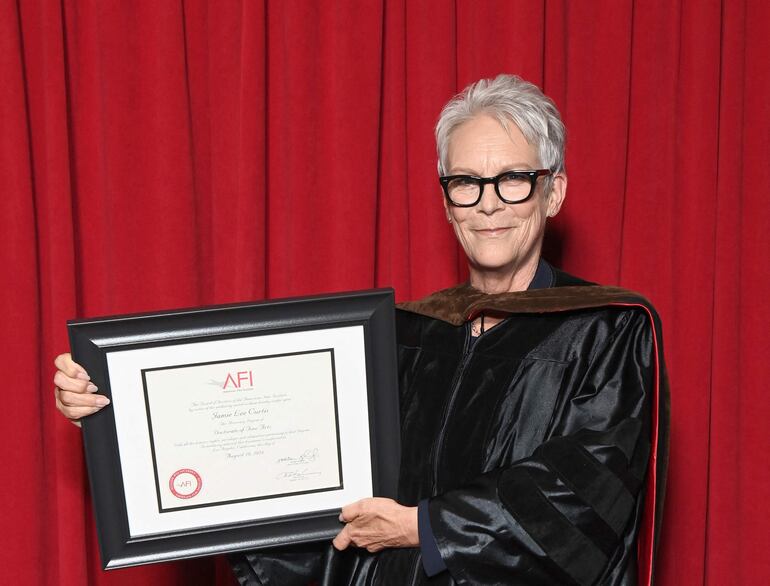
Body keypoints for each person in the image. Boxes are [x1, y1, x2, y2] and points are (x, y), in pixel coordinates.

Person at [54, 74, 669, 585]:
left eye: (513, 179)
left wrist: (423, 527)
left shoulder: (606, 330)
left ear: (552, 191)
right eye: (465, 183)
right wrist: (119, 413)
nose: (488, 203)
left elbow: (581, 496)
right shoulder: (406, 335)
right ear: (445, 197)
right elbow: (302, 488)